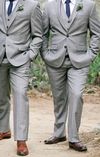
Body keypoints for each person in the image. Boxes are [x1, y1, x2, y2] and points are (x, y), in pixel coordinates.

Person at [42, 0, 100, 152]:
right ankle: (59, 133)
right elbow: (42, 33)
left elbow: (96, 33)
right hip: (55, 59)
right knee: (59, 97)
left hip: (80, 60)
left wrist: (91, 54)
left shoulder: (89, 5)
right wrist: (45, 54)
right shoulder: (48, 6)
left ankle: (74, 138)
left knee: (76, 95)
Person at [0, 0, 43, 156]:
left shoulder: (32, 5)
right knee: (1, 95)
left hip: (21, 59)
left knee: (20, 95)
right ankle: (3, 130)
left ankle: (21, 139)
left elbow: (38, 35)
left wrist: (30, 55)